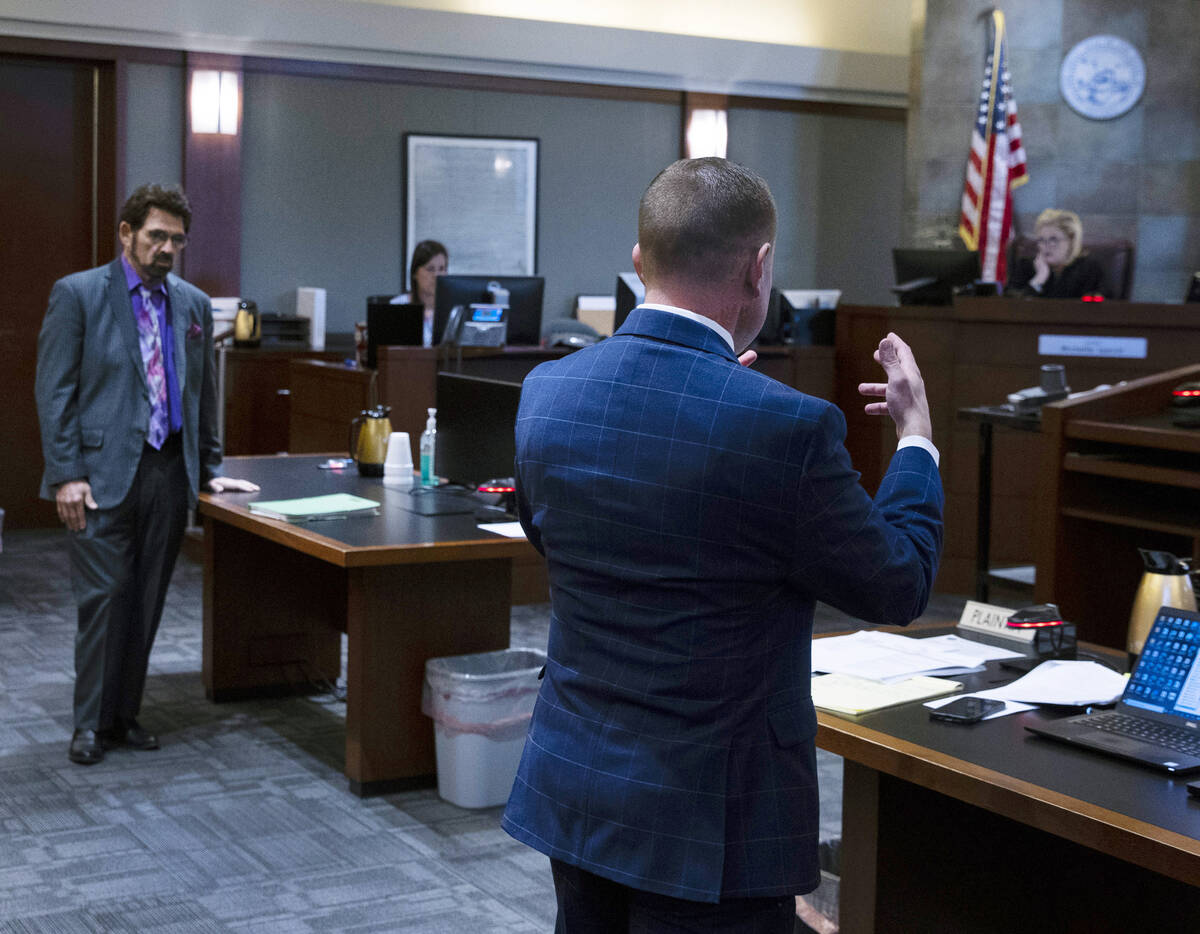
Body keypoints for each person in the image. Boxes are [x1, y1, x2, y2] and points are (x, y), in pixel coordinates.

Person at [501, 157, 944, 932]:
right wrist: (916, 440)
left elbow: (558, 542)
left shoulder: (547, 393)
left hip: (576, 789)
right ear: (760, 266)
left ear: (640, 263)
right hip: (712, 822)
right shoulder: (785, 429)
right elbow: (897, 583)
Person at [35, 183, 259, 766]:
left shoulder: (189, 303)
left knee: (146, 600)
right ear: (126, 232)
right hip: (99, 474)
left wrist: (209, 471)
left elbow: (201, 392)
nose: (166, 248)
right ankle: (89, 725)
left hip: (167, 472)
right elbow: (55, 390)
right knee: (103, 601)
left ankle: (124, 715)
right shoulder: (79, 294)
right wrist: (66, 474)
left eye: (176, 240)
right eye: (156, 235)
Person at [1008, 208, 1108, 298]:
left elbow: (1099, 305)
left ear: (1071, 240)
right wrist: (1039, 279)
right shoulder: (1026, 266)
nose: (1046, 245)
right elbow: (1011, 306)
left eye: (1053, 239)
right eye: (1041, 240)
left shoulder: (1089, 269)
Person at [391, 239, 448, 346]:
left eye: (442, 269)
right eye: (430, 269)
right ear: (415, 273)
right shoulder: (397, 306)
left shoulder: (454, 310)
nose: (437, 275)